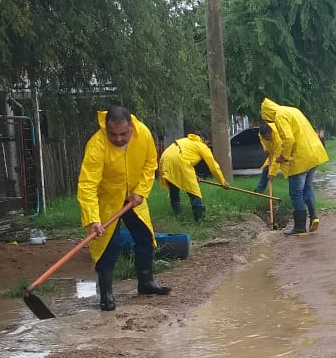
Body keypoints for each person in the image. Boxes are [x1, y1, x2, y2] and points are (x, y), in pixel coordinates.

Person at [77, 106, 171, 311]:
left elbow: (150, 164)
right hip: (108, 200)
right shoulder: (97, 145)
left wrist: (140, 192)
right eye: (113, 134)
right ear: (106, 128)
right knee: (107, 246)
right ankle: (107, 294)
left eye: (123, 134)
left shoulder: (143, 134)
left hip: (133, 198)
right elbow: (87, 185)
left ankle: (146, 282)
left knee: (145, 236)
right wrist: (93, 219)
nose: (118, 139)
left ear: (131, 126)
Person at [260, 97, 329, 236]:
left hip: (299, 159)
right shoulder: (292, 110)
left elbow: (289, 138)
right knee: (307, 188)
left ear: (267, 114)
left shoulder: (279, 116)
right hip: (313, 154)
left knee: (296, 193)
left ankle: (300, 227)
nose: (268, 122)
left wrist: (283, 156)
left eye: (267, 119)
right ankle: (314, 217)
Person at [159, 133, 229, 222]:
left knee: (174, 186)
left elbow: (187, 156)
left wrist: (194, 176)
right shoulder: (202, 146)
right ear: (205, 141)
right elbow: (213, 166)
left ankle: (177, 215)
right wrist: (222, 182)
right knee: (194, 191)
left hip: (165, 158)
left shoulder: (186, 141)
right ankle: (199, 219)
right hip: (179, 160)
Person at [254, 121, 283, 193]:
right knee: (266, 168)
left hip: (286, 153)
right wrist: (266, 149)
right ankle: (259, 190)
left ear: (271, 132)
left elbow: (277, 157)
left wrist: (272, 174)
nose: (267, 139)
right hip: (273, 153)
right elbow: (263, 141)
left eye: (268, 137)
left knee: (292, 173)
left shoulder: (278, 139)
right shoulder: (261, 134)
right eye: (265, 138)